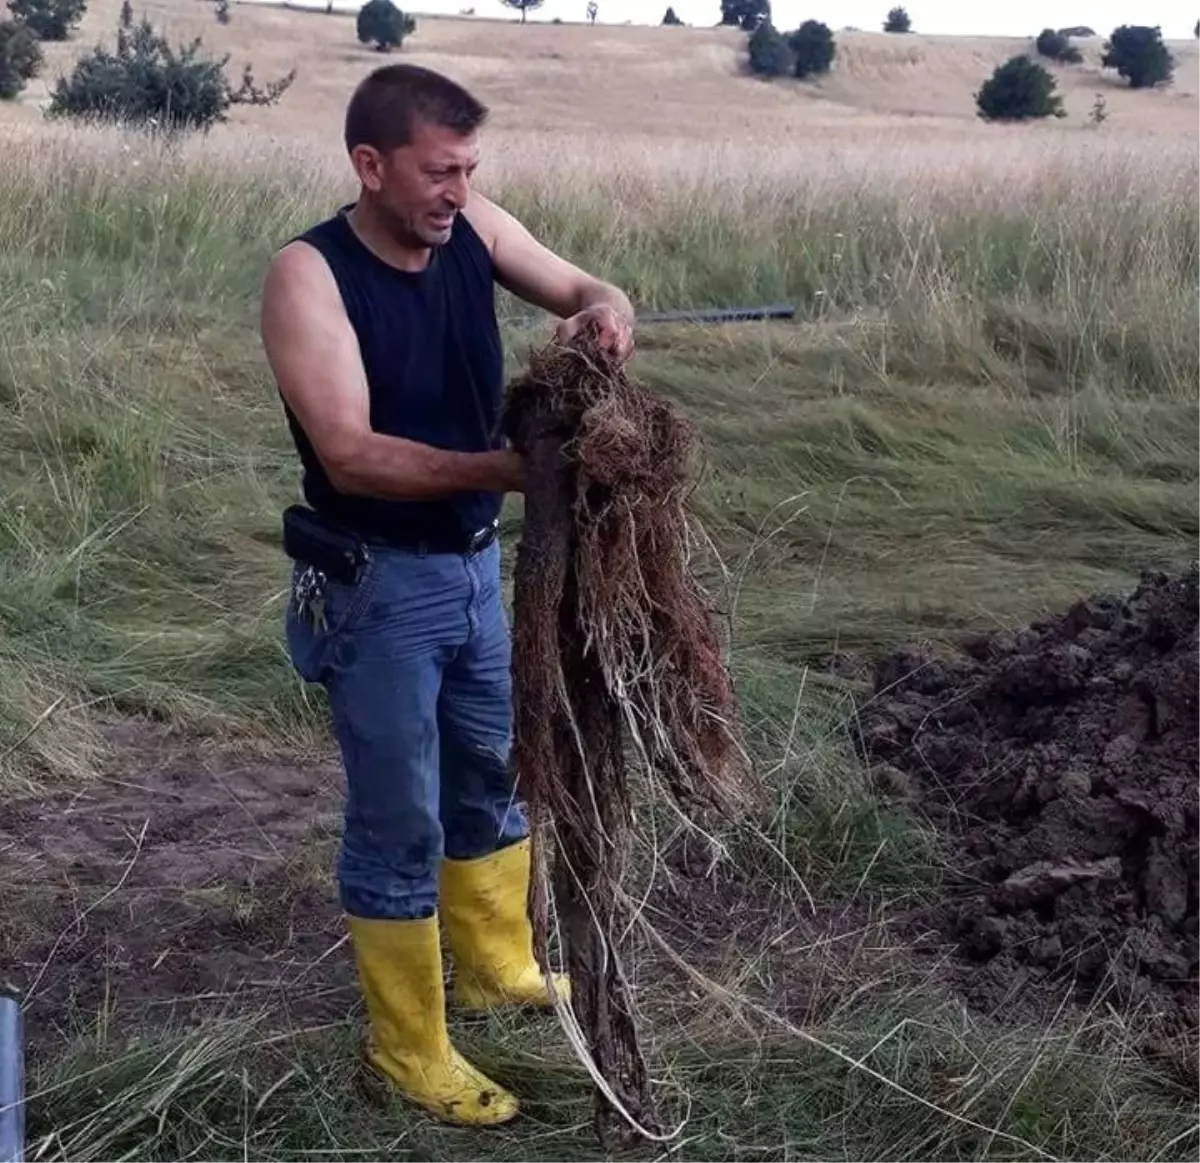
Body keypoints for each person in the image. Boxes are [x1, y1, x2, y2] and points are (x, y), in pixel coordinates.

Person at [258, 63, 634, 1128]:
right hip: (375, 581)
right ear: (369, 166)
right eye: (437, 170)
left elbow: (581, 287)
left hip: (474, 568)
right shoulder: (310, 276)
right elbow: (350, 453)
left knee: (493, 766)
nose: (457, 192)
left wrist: (605, 313)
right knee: (398, 817)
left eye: (469, 168)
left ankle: (496, 966)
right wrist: (514, 473)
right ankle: (409, 1045)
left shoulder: (475, 226)